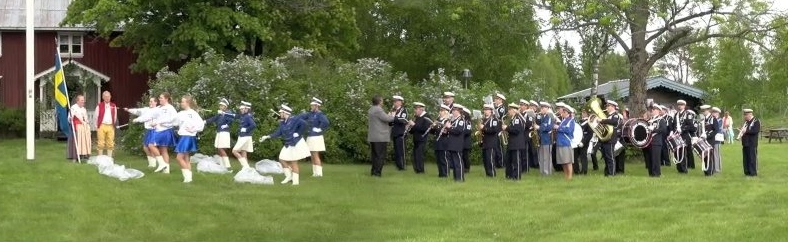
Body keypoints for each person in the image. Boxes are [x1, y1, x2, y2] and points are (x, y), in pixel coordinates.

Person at [260, 105, 311, 185]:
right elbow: (278, 132)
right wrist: (267, 136)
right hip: (288, 143)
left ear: (285, 113)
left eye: (281, 113)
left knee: (293, 162)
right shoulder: (283, 123)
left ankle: (295, 182)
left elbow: (304, 124)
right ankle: (288, 176)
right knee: (282, 159)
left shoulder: (294, 119)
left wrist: (298, 133)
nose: (280, 114)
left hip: (295, 142)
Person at [293, 97, 330, 177]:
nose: (311, 107)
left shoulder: (320, 114)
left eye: (313, 106)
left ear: (317, 106)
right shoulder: (310, 114)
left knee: (315, 154)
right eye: (311, 105)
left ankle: (319, 173)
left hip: (316, 137)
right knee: (312, 155)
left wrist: (319, 129)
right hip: (310, 136)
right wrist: (291, 118)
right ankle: (315, 173)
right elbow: (300, 117)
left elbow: (326, 122)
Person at [174, 95, 205, 183]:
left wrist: (193, 129)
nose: (181, 103)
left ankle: (187, 177)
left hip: (188, 137)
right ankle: (189, 178)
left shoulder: (193, 113)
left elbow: (201, 124)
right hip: (183, 136)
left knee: (179, 158)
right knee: (186, 157)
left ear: (187, 103)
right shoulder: (180, 113)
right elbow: (174, 121)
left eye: (183, 101)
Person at [149, 92, 179, 174]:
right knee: (163, 150)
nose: (159, 99)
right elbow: (153, 116)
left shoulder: (170, 108)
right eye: (159, 97)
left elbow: (174, 119)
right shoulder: (159, 107)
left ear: (166, 99)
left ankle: (162, 164)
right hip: (158, 129)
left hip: (165, 130)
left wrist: (162, 122)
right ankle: (166, 170)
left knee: (151, 145)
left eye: (161, 98)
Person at [125, 97, 159, 167]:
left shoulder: (157, 110)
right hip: (148, 130)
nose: (150, 103)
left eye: (152, 101)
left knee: (151, 146)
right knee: (145, 147)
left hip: (154, 130)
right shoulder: (146, 109)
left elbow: (146, 117)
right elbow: (138, 111)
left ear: (156, 102)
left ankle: (154, 163)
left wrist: (136, 120)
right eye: (150, 101)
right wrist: (129, 110)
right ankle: (151, 162)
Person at [367, 95, 396, 177]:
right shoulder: (378, 110)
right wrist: (393, 116)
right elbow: (387, 119)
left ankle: (373, 171)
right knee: (380, 156)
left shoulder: (371, 109)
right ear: (379, 102)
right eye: (382, 101)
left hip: (373, 136)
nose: (383, 102)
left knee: (375, 156)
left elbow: (381, 118)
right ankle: (377, 173)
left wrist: (388, 115)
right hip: (380, 137)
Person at [204, 98, 236, 169]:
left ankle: (228, 166)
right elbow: (213, 118)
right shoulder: (220, 113)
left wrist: (227, 124)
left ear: (226, 106)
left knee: (221, 148)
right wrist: (205, 121)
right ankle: (222, 165)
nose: (220, 107)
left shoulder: (229, 112)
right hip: (219, 132)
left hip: (224, 133)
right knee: (219, 149)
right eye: (220, 106)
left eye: (222, 106)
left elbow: (231, 119)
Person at [596, 100, 622, 176]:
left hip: (611, 139)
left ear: (613, 107)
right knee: (606, 157)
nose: (606, 107)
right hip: (605, 139)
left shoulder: (616, 115)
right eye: (607, 106)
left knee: (610, 157)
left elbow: (613, 122)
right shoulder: (607, 116)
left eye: (608, 106)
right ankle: (607, 173)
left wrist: (602, 120)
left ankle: (612, 173)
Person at [408, 102, 432, 174]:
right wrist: (409, 128)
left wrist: (414, 125)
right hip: (416, 139)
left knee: (419, 155)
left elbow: (424, 129)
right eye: (415, 109)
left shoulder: (426, 117)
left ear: (421, 109)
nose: (415, 111)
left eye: (416, 109)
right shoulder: (417, 117)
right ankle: (417, 170)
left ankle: (420, 171)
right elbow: (414, 130)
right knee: (415, 155)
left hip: (422, 139)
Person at [478, 104, 501, 177]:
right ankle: (487, 173)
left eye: (487, 110)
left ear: (491, 111)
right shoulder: (483, 119)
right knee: (485, 159)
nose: (485, 111)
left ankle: (492, 174)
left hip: (491, 142)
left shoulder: (494, 119)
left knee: (490, 159)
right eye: (485, 110)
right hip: (484, 141)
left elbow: (494, 130)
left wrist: (484, 128)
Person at [232, 101, 257, 169]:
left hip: (245, 136)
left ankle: (246, 166)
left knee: (234, 151)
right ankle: (246, 169)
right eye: (241, 109)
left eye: (243, 109)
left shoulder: (247, 116)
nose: (241, 110)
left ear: (247, 109)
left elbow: (254, 125)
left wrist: (246, 129)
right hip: (245, 136)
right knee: (243, 152)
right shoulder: (244, 116)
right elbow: (235, 116)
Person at [445, 106, 467, 182]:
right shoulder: (453, 120)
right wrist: (447, 128)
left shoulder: (461, 120)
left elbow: (458, 131)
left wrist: (449, 127)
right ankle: (456, 177)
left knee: (458, 162)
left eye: (454, 110)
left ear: (458, 111)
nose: (452, 112)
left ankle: (460, 178)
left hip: (457, 144)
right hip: (452, 143)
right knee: (454, 162)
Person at [554, 104, 575, 180]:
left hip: (566, 142)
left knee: (568, 161)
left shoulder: (571, 120)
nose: (562, 113)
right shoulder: (564, 120)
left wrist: (558, 127)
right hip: (560, 142)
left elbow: (568, 130)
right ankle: (566, 175)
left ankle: (569, 176)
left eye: (564, 112)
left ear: (568, 113)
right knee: (563, 161)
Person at [67, 94, 92, 161]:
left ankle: (83, 154)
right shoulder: (73, 108)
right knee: (76, 141)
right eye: (82, 100)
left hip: (83, 128)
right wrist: (71, 118)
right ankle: (75, 156)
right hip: (76, 127)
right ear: (77, 101)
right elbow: (70, 118)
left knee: (85, 140)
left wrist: (86, 123)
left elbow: (86, 119)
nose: (83, 101)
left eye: (83, 100)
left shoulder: (84, 109)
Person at [646, 104, 667, 177]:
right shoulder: (650, 120)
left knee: (656, 159)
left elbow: (664, 130)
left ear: (658, 111)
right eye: (652, 109)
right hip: (649, 142)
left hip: (656, 142)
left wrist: (654, 130)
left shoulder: (661, 120)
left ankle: (657, 173)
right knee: (650, 158)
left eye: (654, 109)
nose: (652, 110)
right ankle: (651, 173)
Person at [95, 91, 118, 157]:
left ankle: (109, 158)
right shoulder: (99, 106)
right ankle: (100, 158)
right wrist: (97, 126)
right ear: (103, 97)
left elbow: (115, 116)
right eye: (106, 97)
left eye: (108, 96)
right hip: (102, 125)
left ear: (110, 97)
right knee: (101, 143)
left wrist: (113, 125)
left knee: (110, 142)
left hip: (110, 125)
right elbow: (96, 116)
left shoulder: (113, 105)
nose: (107, 98)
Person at [389, 95, 409, 171]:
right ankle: (398, 166)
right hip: (394, 132)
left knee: (401, 150)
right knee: (396, 150)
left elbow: (403, 120)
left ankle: (402, 166)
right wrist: (390, 118)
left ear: (401, 102)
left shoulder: (403, 110)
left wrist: (394, 117)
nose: (394, 103)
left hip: (401, 133)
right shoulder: (393, 110)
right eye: (394, 101)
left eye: (396, 101)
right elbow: (391, 123)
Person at [431, 104, 451, 177]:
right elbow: (433, 132)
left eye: (442, 111)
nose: (440, 112)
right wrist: (432, 127)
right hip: (438, 141)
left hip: (444, 141)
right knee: (438, 158)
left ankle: (446, 173)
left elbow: (445, 132)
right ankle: (441, 173)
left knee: (444, 158)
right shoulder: (438, 120)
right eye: (440, 110)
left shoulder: (447, 121)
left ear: (446, 112)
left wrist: (436, 126)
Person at [740, 109, 760, 176]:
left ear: (750, 114)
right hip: (745, 143)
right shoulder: (746, 122)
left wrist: (746, 131)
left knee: (752, 158)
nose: (745, 116)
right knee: (746, 158)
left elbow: (755, 131)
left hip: (752, 143)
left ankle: (753, 173)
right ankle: (747, 172)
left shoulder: (756, 121)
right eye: (744, 115)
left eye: (746, 115)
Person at [699, 105, 718, 176]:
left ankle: (710, 171)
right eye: (702, 111)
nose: (703, 112)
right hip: (703, 140)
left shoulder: (713, 119)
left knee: (709, 156)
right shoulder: (703, 119)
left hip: (710, 140)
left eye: (704, 111)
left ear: (708, 110)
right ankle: (706, 171)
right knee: (704, 156)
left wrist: (708, 135)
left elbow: (716, 130)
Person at [576, 110, 594, 175]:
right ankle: (580, 170)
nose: (582, 114)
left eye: (584, 113)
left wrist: (583, 142)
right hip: (579, 140)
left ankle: (584, 170)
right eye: (582, 112)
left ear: (587, 114)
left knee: (583, 156)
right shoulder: (581, 121)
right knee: (579, 156)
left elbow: (589, 134)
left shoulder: (589, 122)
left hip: (584, 141)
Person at [537, 102, 553, 175]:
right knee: (541, 156)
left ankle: (547, 172)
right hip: (541, 139)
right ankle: (542, 171)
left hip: (547, 139)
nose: (542, 109)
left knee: (547, 157)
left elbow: (549, 127)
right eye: (541, 108)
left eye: (543, 108)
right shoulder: (542, 117)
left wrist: (539, 127)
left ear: (547, 108)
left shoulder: (549, 117)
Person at [492, 93, 507, 168]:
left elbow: (499, 116)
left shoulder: (502, 108)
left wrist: (493, 110)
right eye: (495, 99)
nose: (495, 100)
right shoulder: (495, 107)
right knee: (494, 145)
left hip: (499, 128)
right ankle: (496, 162)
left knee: (499, 146)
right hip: (494, 127)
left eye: (496, 99)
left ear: (500, 100)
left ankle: (501, 163)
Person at [527, 100, 540, 169]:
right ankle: (531, 163)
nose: (531, 107)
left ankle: (536, 163)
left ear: (536, 107)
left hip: (535, 132)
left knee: (535, 149)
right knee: (529, 148)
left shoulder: (537, 115)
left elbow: (538, 123)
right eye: (530, 106)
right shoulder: (528, 115)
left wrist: (535, 126)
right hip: (529, 132)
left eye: (533, 106)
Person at [711, 107, 723, 173]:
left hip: (717, 138)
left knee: (717, 154)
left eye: (715, 112)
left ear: (718, 113)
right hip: (712, 138)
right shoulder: (711, 119)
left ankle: (717, 168)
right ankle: (713, 167)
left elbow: (718, 129)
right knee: (712, 153)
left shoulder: (720, 120)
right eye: (713, 112)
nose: (713, 113)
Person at [461, 107, 473, 173]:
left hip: (466, 141)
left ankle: (467, 168)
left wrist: (461, 132)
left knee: (465, 155)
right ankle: (463, 167)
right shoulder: (461, 121)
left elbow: (468, 131)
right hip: (461, 140)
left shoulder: (468, 122)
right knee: (462, 155)